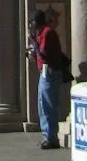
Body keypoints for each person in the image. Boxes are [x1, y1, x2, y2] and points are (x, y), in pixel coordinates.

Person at [27, 8, 67, 150]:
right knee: (43, 105)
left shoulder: (47, 33)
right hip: (45, 73)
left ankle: (51, 138)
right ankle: (47, 136)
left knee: (48, 106)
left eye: (31, 22)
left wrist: (33, 42)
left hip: (50, 73)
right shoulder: (42, 33)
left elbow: (43, 54)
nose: (30, 26)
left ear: (35, 22)